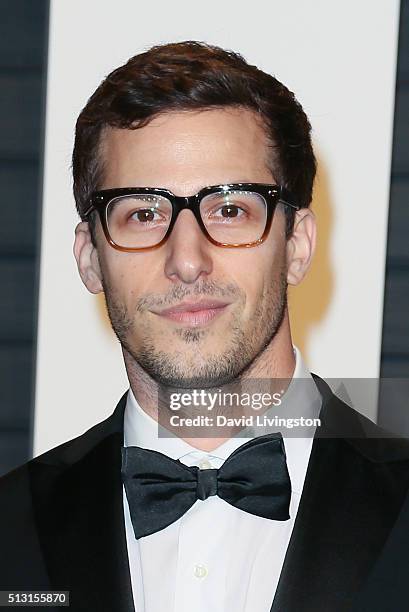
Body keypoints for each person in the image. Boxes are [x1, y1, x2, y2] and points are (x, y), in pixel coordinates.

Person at [0, 40, 408, 612]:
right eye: (143, 214)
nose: (187, 259)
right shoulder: (10, 530)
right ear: (90, 257)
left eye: (231, 209)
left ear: (296, 244)